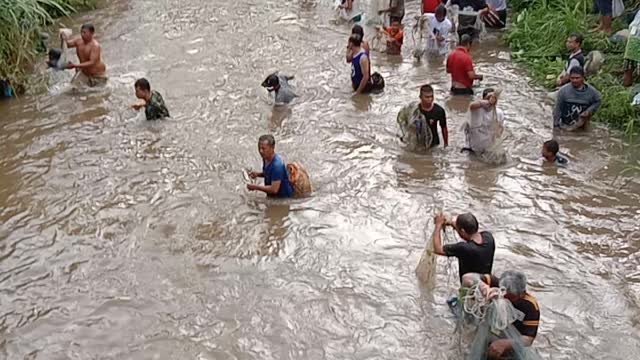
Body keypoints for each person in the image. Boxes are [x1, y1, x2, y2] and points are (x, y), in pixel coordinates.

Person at [461, 271, 540, 358]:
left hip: (510, 338)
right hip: (488, 328)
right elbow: (467, 278)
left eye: (511, 297)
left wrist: (505, 344)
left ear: (521, 294)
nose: (505, 299)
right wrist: (483, 287)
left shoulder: (530, 306)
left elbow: (528, 339)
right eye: (503, 294)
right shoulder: (496, 284)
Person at [431, 213, 496, 283]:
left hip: (470, 287)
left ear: (463, 231)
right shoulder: (489, 237)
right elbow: (469, 236)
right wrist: (451, 223)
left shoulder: (463, 248)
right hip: (487, 282)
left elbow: (438, 249)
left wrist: (438, 225)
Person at [397, 84, 448, 149]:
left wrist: (446, 144)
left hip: (433, 144)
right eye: (426, 97)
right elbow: (403, 123)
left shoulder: (439, 111)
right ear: (420, 97)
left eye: (431, 96)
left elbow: (444, 128)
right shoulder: (414, 111)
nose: (429, 99)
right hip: (417, 144)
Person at [554, 66, 602, 131]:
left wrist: (589, 111)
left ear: (583, 77)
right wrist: (556, 126)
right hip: (565, 125)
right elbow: (558, 109)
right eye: (572, 78)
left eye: (577, 78)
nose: (574, 80)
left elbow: (598, 101)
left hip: (582, 124)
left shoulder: (592, 92)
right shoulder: (563, 91)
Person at [463, 88, 504, 154]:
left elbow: (500, 130)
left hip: (488, 150)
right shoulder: (476, 110)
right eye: (488, 99)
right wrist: (483, 103)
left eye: (493, 99)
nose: (490, 102)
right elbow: (471, 106)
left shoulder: (499, 113)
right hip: (472, 149)